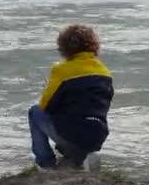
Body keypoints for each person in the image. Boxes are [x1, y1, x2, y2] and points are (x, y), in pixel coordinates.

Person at [28, 24, 114, 171]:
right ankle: (77, 158)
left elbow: (45, 105)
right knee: (80, 118)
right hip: (97, 136)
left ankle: (45, 163)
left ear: (63, 47)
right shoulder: (104, 71)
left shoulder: (62, 70)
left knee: (35, 112)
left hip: (72, 134)